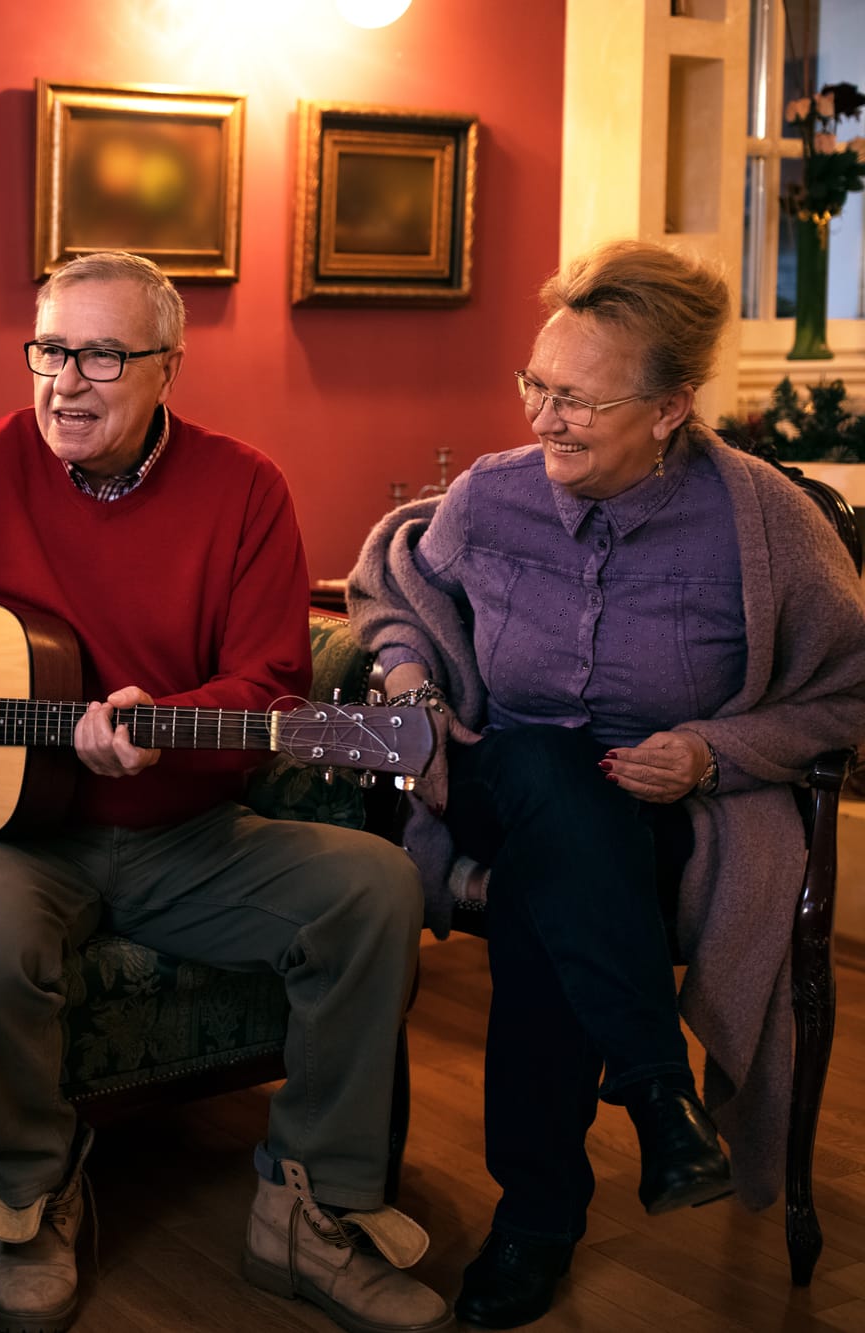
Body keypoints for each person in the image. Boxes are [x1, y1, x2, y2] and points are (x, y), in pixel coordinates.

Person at [0, 251, 446, 1333]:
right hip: (7, 841)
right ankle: (34, 1186)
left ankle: (315, 1207)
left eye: (101, 356)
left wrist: (156, 737)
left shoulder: (244, 488)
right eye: (49, 350)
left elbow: (267, 687)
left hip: (186, 832)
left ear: (167, 367)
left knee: (372, 887)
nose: (64, 382)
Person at [348, 239, 865, 1329]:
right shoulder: (491, 496)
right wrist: (405, 679)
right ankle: (653, 1089)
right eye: (535, 385)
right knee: (540, 765)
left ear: (670, 409)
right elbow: (394, 589)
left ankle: (538, 1217)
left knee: (557, 877)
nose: (542, 420)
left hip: (668, 813)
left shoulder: (762, 522)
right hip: (497, 777)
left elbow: (846, 693)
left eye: (576, 402)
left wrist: (712, 754)